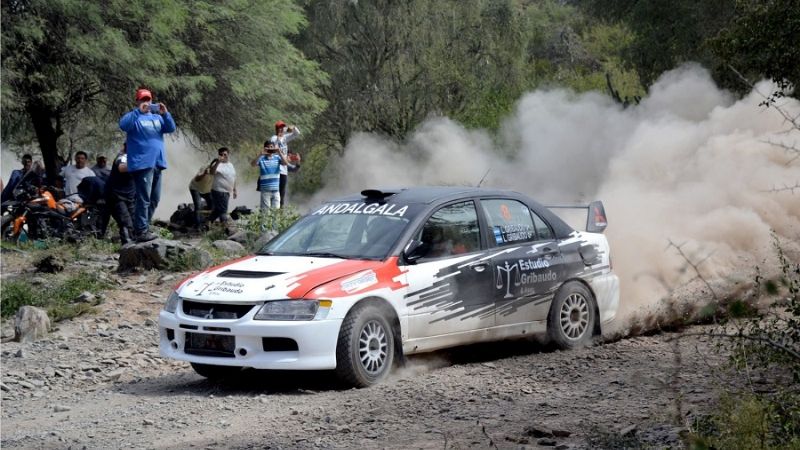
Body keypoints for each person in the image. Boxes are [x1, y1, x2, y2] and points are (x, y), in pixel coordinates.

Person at [119, 87, 176, 242]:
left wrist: (165, 113)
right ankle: (141, 230)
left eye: (148, 99)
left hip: (157, 162)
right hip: (142, 163)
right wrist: (138, 111)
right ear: (137, 101)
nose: (146, 102)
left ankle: (142, 226)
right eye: (143, 99)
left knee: (155, 198)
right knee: (143, 198)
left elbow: (171, 128)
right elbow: (123, 125)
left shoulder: (157, 118)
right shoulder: (133, 117)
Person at [102, 144, 136, 244]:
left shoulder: (136, 157)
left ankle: (133, 247)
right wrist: (140, 163)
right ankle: (127, 248)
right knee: (125, 223)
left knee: (133, 223)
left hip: (130, 197)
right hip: (117, 196)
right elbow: (122, 167)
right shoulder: (122, 157)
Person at [270, 120, 302, 207]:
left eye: (282, 127)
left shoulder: (285, 138)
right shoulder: (273, 138)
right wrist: (285, 131)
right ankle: (272, 213)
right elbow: (275, 143)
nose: (281, 129)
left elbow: (297, 133)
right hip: (276, 170)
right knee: (274, 195)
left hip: (284, 171)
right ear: (276, 129)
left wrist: (293, 127)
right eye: (279, 128)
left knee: (281, 195)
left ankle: (280, 215)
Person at [251, 141, 287, 211]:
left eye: (271, 147)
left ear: (274, 148)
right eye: (268, 147)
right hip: (265, 190)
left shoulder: (277, 157)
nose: (270, 149)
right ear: (265, 148)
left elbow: (285, 163)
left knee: (275, 213)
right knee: (265, 213)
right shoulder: (261, 158)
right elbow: (253, 164)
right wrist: (260, 154)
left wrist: (279, 152)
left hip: (276, 190)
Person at [207, 147, 237, 223]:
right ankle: (225, 227)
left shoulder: (230, 165)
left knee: (218, 210)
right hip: (219, 191)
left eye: (225, 154)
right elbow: (211, 172)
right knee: (223, 211)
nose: (223, 156)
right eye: (221, 154)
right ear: (219, 155)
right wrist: (217, 162)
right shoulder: (218, 164)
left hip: (226, 192)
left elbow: (233, 177)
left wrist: (234, 189)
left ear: (228, 155)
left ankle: (207, 223)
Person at [189, 159, 218, 228]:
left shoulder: (219, 172)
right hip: (195, 188)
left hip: (207, 190)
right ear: (211, 166)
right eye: (214, 167)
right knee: (198, 206)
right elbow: (197, 179)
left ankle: (208, 223)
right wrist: (204, 174)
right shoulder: (205, 168)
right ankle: (198, 225)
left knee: (212, 204)